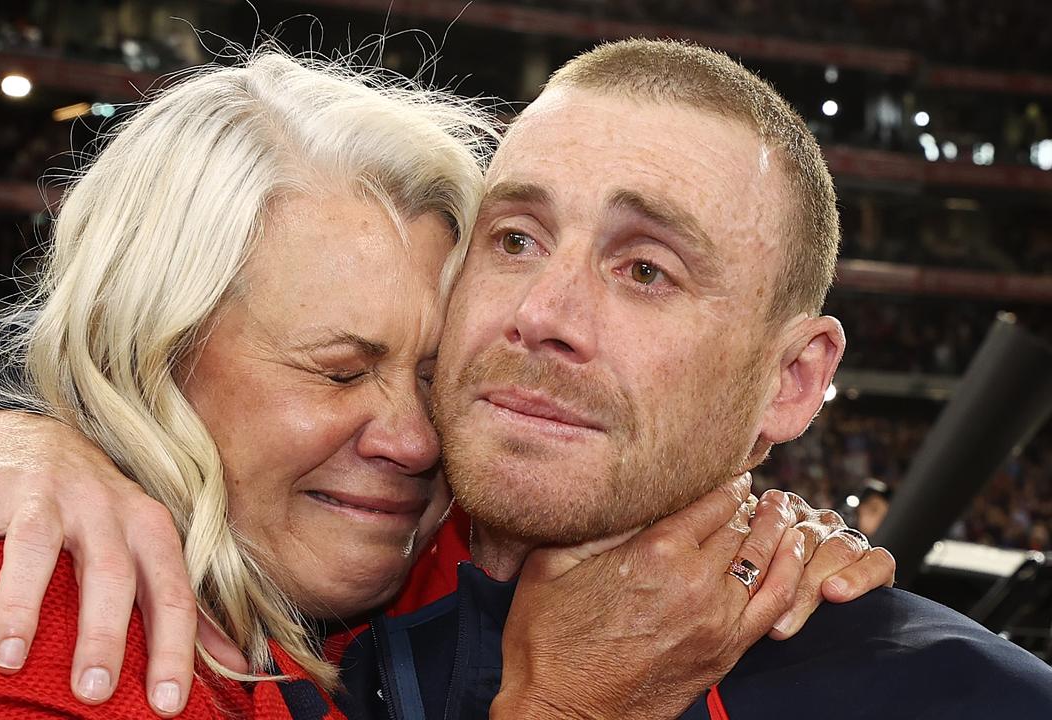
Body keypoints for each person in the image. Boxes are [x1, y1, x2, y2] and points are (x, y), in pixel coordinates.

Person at [0, 50, 888, 719]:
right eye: (338, 369)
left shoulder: (415, 568)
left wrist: (760, 539)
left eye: (428, 372)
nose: (414, 441)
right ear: (155, 359)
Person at [341, 39, 1052, 718]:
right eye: (517, 239)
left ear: (791, 382)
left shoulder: (971, 702)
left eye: (646, 270)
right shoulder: (284, 601)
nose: (541, 312)